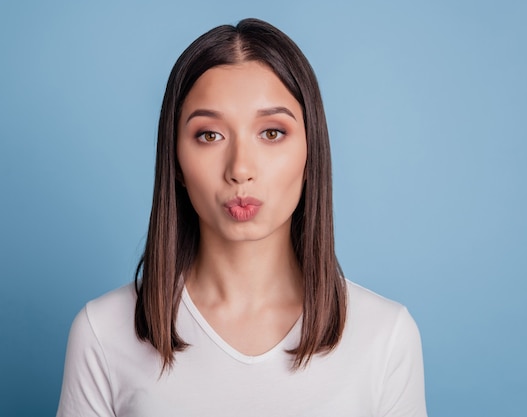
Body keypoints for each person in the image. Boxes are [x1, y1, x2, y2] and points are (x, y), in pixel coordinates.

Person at [56, 18, 427, 417]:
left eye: (271, 133)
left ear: (310, 151)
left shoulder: (384, 335)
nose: (240, 168)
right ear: (176, 161)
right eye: (209, 135)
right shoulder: (104, 331)